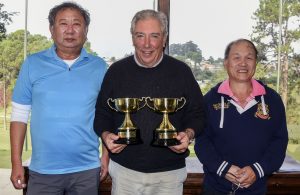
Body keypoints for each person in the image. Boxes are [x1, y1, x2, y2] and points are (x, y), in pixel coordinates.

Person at [93, 9, 205, 195]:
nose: (146, 44)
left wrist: (188, 133)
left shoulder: (181, 72)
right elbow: (102, 114)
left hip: (169, 175)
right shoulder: (116, 72)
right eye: (140, 35)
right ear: (132, 38)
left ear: (164, 39)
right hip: (124, 173)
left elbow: (198, 114)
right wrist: (105, 135)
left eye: (154, 36)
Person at [10, 2, 109, 194]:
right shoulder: (32, 64)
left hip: (87, 171)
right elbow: (19, 116)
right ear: (51, 29)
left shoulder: (99, 67)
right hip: (43, 171)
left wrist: (105, 157)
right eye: (63, 23)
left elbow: (106, 115)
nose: (70, 30)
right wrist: (16, 163)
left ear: (86, 30)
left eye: (77, 24)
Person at [194, 39, 288, 195]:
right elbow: (202, 141)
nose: (243, 63)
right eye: (236, 57)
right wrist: (224, 169)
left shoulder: (273, 100)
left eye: (249, 58)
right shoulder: (209, 100)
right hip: (215, 188)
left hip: (256, 189)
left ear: (255, 63)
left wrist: (257, 170)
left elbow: (279, 142)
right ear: (226, 63)